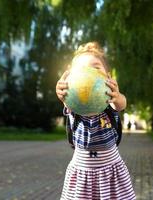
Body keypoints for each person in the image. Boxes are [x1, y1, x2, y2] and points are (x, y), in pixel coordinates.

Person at [56, 42, 136, 200]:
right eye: (82, 68)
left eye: (96, 67)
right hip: (81, 175)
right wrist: (62, 92)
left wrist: (117, 96)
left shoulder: (109, 101)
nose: (89, 72)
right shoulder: (74, 102)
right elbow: (65, 100)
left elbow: (121, 104)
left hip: (110, 173)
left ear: (108, 76)